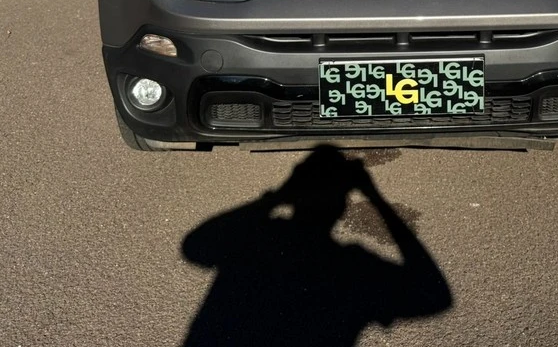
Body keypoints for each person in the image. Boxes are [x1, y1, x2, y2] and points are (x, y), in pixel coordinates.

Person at [181, 145, 452, 346]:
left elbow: (194, 246)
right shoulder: (354, 269)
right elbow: (434, 296)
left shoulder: (255, 240)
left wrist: (278, 196)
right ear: (343, 206)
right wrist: (376, 199)